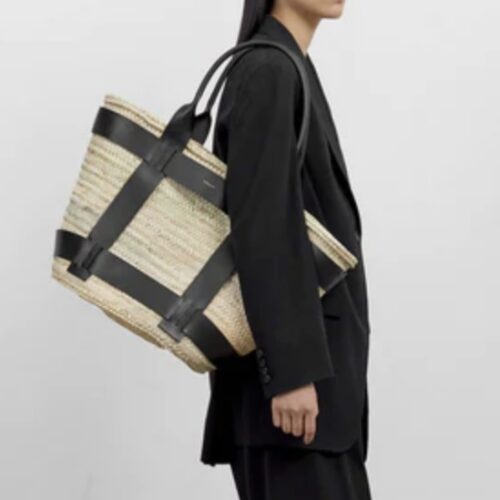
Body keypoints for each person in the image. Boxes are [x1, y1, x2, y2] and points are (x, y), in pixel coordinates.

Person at [200, 2, 372, 498]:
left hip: (313, 406)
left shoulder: (287, 64)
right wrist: (291, 374)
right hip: (293, 404)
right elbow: (262, 224)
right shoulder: (268, 69)